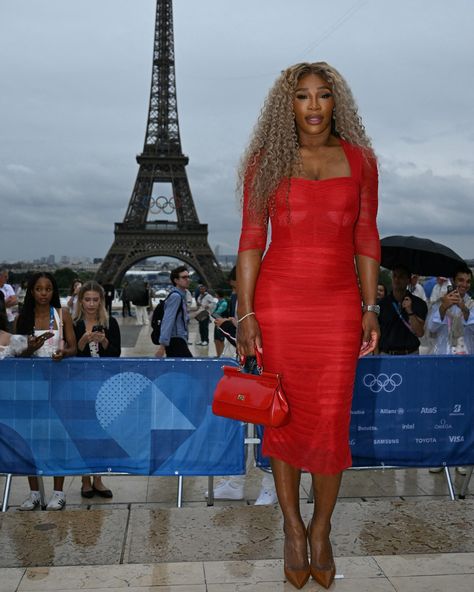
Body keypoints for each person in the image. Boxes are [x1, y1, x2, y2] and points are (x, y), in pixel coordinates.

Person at [236, 62, 380, 589]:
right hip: (279, 303)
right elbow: (252, 239)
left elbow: (366, 236)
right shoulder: (265, 162)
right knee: (284, 417)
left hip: (338, 304)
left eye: (323, 95)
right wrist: (247, 312)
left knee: (329, 420)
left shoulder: (361, 161)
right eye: (302, 96)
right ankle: (292, 528)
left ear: (336, 102)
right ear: (288, 104)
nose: (314, 105)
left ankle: (322, 529)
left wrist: (370, 305)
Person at [15, 272, 77, 510]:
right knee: (31, 440)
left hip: (58, 384)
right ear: (32, 291)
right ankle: (34, 493)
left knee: (56, 438)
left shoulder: (63, 315)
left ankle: (58, 492)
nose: (43, 293)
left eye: (48, 289)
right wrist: (30, 348)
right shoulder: (24, 318)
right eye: (39, 289)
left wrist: (63, 353)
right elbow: (16, 352)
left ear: (53, 291)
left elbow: (72, 346)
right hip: (31, 386)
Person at [74, 281, 121, 498]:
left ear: (101, 300)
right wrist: (83, 341)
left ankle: (99, 478)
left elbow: (116, 354)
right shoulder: (74, 324)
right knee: (83, 433)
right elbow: (71, 355)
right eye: (87, 299)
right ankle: (85, 479)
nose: (91, 304)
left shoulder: (110, 322)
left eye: (95, 299)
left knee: (102, 432)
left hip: (104, 385)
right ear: (80, 301)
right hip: (81, 385)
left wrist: (104, 343)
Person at [378, 265, 428, 355]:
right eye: (394, 276)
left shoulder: (419, 303)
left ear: (408, 280)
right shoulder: (382, 304)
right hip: (387, 354)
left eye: (401, 276)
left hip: (411, 354)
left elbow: (420, 332)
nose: (397, 280)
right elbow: (376, 333)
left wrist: (410, 312)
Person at [155, 266, 192, 358]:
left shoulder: (180, 296)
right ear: (176, 280)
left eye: (188, 277)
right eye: (184, 277)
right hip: (176, 340)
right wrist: (162, 346)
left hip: (179, 339)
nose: (187, 279)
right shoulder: (176, 297)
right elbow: (168, 320)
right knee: (190, 368)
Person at [212, 290, 229, 357]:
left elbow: (217, 313)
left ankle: (221, 355)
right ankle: (218, 354)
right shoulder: (218, 302)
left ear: (218, 294)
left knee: (220, 339)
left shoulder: (224, 303)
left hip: (221, 323)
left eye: (216, 294)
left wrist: (213, 314)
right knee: (216, 339)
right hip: (217, 322)